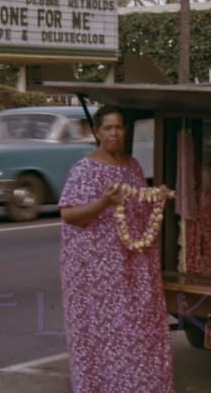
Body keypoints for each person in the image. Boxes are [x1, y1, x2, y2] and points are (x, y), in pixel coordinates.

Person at [58, 105, 174, 393]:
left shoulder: (132, 166)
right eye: (107, 128)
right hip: (96, 271)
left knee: (137, 329)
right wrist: (103, 203)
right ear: (97, 132)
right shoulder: (84, 169)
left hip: (131, 263)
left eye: (119, 127)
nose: (113, 133)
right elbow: (70, 215)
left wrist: (156, 196)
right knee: (103, 332)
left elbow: (137, 210)